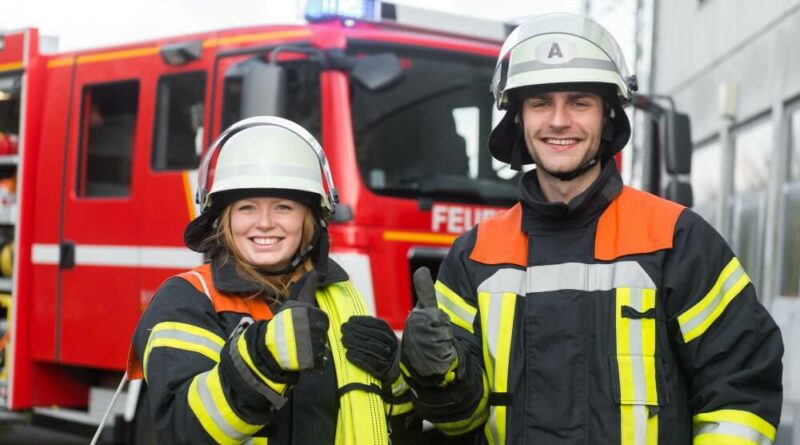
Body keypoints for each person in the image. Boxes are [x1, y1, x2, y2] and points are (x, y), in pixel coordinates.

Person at [399, 13, 784, 445]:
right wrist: (437, 376)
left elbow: (739, 392)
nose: (559, 121)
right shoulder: (475, 256)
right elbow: (457, 424)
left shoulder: (676, 239)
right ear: (518, 119)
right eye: (541, 102)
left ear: (607, 117)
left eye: (579, 102)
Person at [128, 116, 417, 444]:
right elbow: (183, 430)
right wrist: (261, 360)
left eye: (283, 207)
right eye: (247, 208)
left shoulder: (340, 295)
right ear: (224, 220)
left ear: (309, 220)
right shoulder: (189, 299)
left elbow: (397, 431)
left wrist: (397, 378)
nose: (264, 223)